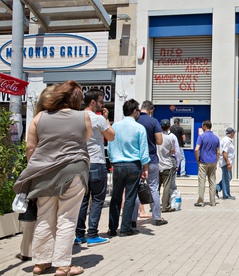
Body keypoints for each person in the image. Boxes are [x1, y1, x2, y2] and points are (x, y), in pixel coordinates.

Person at [13, 80, 91, 276]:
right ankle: (63, 266)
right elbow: (84, 139)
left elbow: (30, 147)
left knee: (44, 217)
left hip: (44, 173)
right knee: (67, 218)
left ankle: (40, 263)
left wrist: (36, 168)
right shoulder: (84, 117)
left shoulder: (39, 118)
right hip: (74, 172)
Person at [16, 84, 57, 262]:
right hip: (56, 172)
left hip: (36, 169)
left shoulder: (36, 119)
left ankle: (27, 250)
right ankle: (47, 253)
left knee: (32, 210)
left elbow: (30, 147)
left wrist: (32, 167)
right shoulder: (61, 119)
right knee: (50, 214)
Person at [75, 88, 115, 247]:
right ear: (93, 102)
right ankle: (92, 234)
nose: (103, 104)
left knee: (82, 200)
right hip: (96, 162)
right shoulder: (98, 119)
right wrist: (106, 119)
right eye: (101, 101)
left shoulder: (76, 117)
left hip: (80, 163)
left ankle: (79, 235)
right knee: (98, 199)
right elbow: (111, 136)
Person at [107, 99, 150, 237]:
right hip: (133, 165)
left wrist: (113, 162)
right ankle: (125, 228)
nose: (139, 113)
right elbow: (144, 151)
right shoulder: (139, 128)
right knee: (130, 197)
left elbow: (110, 147)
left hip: (118, 165)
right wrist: (145, 168)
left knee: (116, 197)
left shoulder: (115, 126)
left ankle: (112, 228)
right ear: (134, 111)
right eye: (138, 110)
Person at [136, 101, 169, 226]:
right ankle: (157, 217)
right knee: (153, 188)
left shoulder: (135, 120)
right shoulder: (154, 122)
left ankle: (133, 219)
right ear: (151, 110)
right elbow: (159, 141)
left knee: (135, 188)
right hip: (151, 159)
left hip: (136, 160)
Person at [194, 120, 220, 207]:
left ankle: (200, 201)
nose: (202, 127)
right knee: (212, 181)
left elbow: (197, 149)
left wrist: (197, 159)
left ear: (205, 126)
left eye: (202, 126)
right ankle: (213, 201)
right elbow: (218, 152)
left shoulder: (201, 137)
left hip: (203, 162)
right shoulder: (216, 138)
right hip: (213, 161)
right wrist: (216, 162)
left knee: (202, 181)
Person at [157, 119, 177, 213]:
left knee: (156, 187)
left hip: (157, 165)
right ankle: (165, 206)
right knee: (166, 187)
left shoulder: (156, 137)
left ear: (161, 127)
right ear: (169, 127)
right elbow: (173, 151)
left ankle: (155, 206)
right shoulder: (171, 137)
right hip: (167, 165)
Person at [216, 127, 236, 200]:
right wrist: (228, 163)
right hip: (225, 163)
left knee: (228, 177)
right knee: (226, 178)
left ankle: (217, 187)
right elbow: (224, 152)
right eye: (234, 133)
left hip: (227, 162)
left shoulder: (228, 140)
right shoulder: (227, 141)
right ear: (231, 134)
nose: (234, 135)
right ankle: (226, 195)